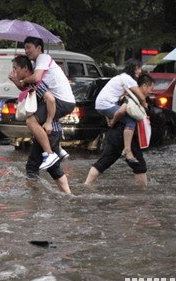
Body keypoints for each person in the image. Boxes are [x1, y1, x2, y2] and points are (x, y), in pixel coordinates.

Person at [10, 55, 71, 193]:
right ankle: (61, 195)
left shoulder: (37, 82)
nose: (14, 71)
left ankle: (37, 198)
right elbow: (25, 90)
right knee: (37, 166)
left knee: (38, 166)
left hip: (49, 131)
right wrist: (15, 81)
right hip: (46, 132)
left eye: (16, 68)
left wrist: (49, 122)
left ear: (25, 68)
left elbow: (50, 99)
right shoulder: (30, 82)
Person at [84, 73, 154, 188]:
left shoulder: (123, 92)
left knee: (104, 161)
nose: (151, 92)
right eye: (151, 88)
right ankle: (143, 192)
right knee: (139, 164)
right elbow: (122, 110)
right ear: (144, 86)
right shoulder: (132, 95)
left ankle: (86, 185)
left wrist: (112, 122)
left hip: (114, 134)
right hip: (124, 134)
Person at [19, 36, 75, 170]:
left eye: (29, 48)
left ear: (39, 48)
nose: (26, 51)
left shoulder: (43, 58)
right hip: (59, 101)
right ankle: (57, 151)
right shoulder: (36, 64)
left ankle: (50, 154)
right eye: (25, 48)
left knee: (31, 121)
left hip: (62, 101)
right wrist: (18, 80)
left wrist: (24, 80)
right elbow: (28, 88)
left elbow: (36, 78)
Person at [95, 58, 147, 163]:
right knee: (131, 120)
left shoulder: (120, 77)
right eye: (139, 68)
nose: (140, 71)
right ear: (134, 68)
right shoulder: (129, 79)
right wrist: (144, 107)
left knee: (124, 113)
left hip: (100, 105)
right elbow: (141, 97)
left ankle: (113, 123)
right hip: (107, 105)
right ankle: (127, 151)